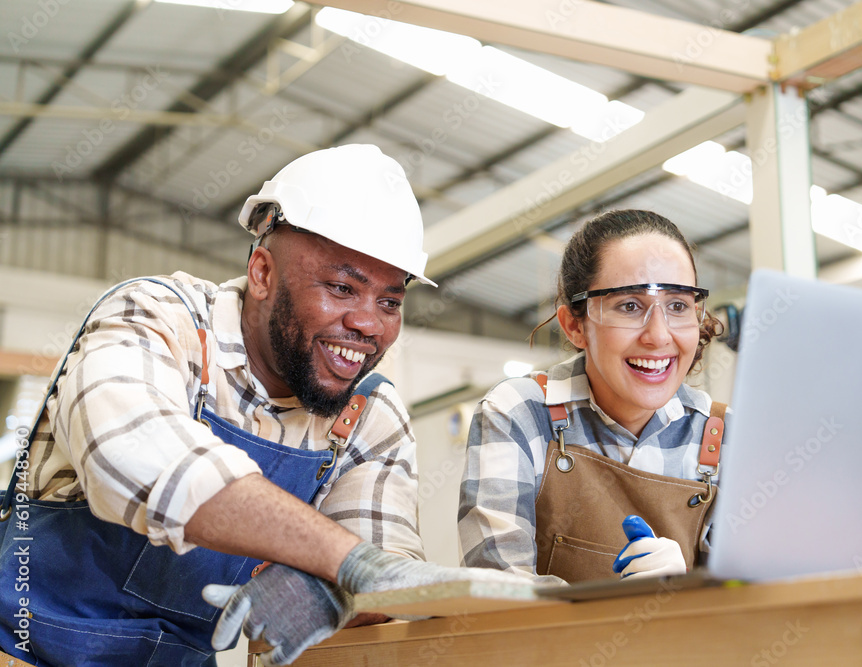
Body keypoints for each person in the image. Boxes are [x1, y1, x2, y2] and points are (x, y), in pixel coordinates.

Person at [0, 144, 520, 667]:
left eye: (389, 301)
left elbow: (384, 578)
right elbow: (129, 455)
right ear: (263, 273)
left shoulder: (367, 415)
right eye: (342, 288)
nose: (368, 324)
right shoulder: (161, 319)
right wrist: (345, 562)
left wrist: (337, 592)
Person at [458, 209, 730, 584]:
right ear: (574, 325)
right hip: (550, 645)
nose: (659, 335)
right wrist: (609, 608)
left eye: (678, 306)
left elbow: (753, 609)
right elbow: (500, 588)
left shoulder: (725, 436)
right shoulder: (519, 414)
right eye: (630, 306)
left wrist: (689, 594)